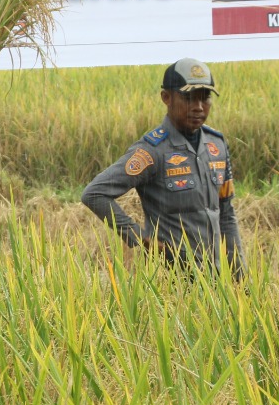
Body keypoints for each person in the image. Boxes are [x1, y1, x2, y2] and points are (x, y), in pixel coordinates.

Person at [82, 58, 243, 278]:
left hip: (215, 277)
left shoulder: (217, 146)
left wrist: (239, 274)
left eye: (205, 97)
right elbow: (94, 194)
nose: (198, 107)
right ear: (166, 97)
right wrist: (139, 238)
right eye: (189, 97)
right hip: (172, 280)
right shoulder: (152, 150)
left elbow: (226, 213)